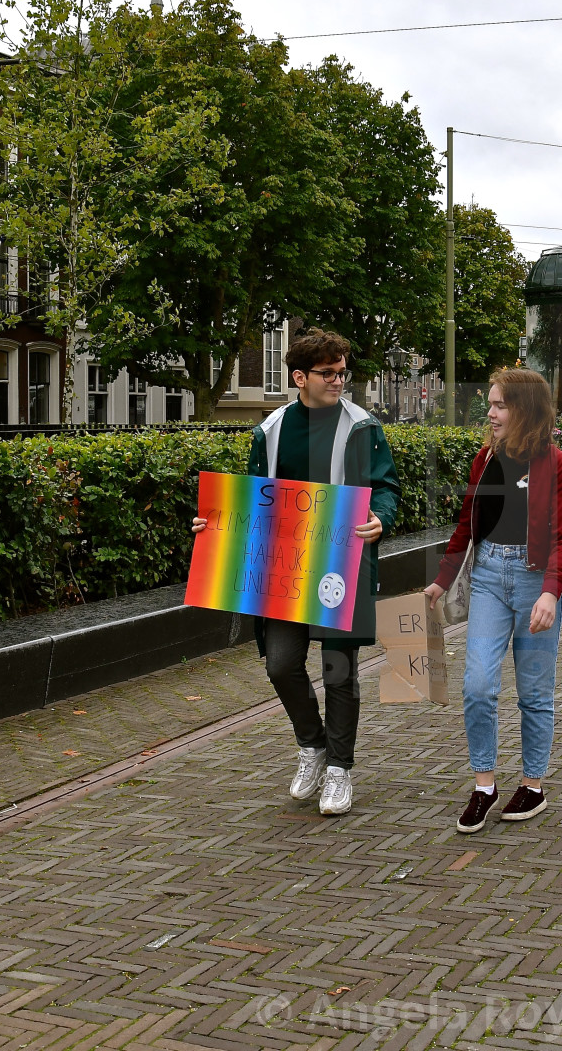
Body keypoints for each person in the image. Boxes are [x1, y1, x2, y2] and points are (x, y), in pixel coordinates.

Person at [191, 328, 401, 816]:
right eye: (328, 373)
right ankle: (313, 745)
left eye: (342, 371)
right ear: (299, 377)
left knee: (339, 670)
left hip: (339, 561)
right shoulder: (270, 430)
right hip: (282, 566)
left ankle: (340, 770)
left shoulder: (364, 427)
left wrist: (380, 518)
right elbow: (250, 497)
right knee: (281, 664)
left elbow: (386, 487)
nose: (338, 381)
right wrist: (213, 523)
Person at [424, 369, 562, 834]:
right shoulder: (484, 461)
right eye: (490, 404)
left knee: (534, 694)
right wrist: (442, 581)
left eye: (499, 405)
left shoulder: (556, 464)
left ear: (525, 410)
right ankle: (484, 785)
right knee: (478, 686)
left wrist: (552, 591)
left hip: (536, 582)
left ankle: (532, 784)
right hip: (489, 575)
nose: (489, 412)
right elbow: (467, 523)